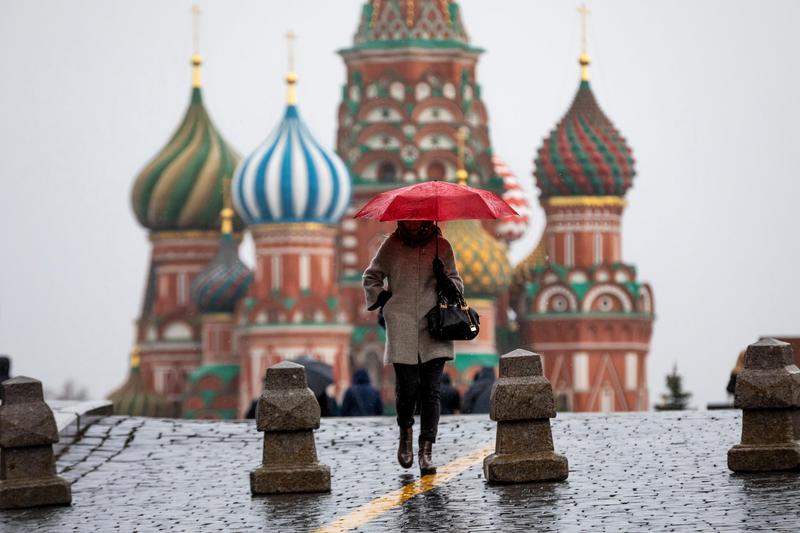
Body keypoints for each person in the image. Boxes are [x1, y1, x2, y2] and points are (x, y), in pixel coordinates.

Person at [363, 220, 463, 475]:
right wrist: (384, 299)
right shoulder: (392, 245)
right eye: (411, 218)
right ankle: (405, 438)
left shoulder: (442, 246)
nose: (416, 222)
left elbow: (457, 284)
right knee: (407, 390)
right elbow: (371, 276)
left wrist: (445, 279)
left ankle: (425, 451)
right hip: (402, 325)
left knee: (431, 392)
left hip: (435, 326)